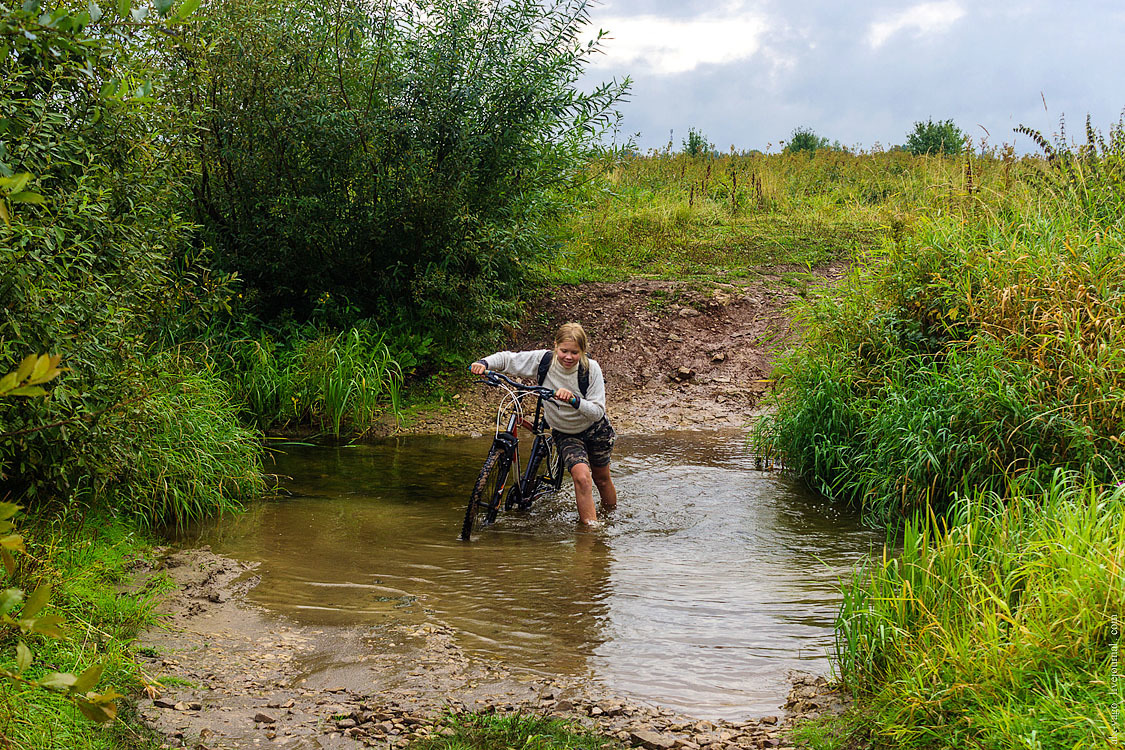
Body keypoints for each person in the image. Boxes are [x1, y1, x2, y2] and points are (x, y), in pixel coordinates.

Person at [470, 323, 617, 525]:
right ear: (555, 346)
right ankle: (590, 535)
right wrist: (484, 363)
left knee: (601, 478)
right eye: (564, 351)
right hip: (566, 432)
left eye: (574, 352)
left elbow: (597, 411)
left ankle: (611, 518)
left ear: (583, 351)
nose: (568, 357)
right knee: (582, 478)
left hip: (595, 429)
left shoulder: (591, 370)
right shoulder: (544, 361)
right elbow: (508, 359)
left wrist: (574, 400)